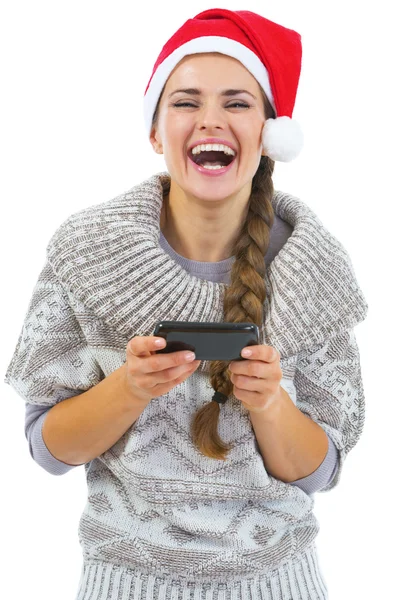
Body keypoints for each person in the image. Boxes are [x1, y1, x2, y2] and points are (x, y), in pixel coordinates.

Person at [4, 8, 368, 600]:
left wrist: (271, 403)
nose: (210, 121)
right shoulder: (87, 253)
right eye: (186, 101)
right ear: (154, 130)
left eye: (237, 102)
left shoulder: (312, 269)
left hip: (279, 585)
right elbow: (49, 449)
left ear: (269, 134)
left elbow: (321, 471)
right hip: (123, 584)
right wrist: (130, 387)